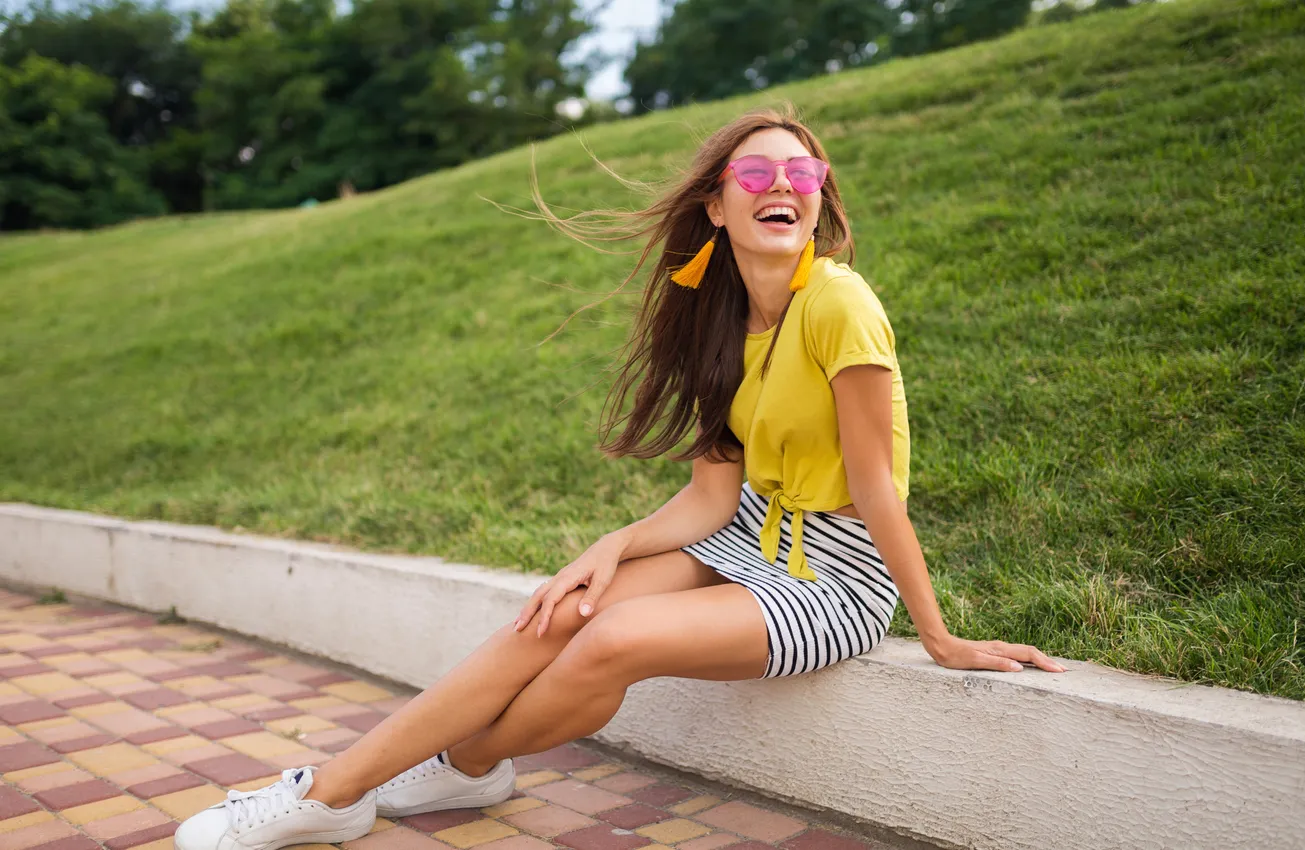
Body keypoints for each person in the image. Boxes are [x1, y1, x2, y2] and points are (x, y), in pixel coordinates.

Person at [173, 103, 1066, 850]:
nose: (784, 185)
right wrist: (610, 545)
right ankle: (330, 794)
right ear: (717, 208)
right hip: (746, 534)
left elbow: (876, 489)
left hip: (837, 578)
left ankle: (462, 768)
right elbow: (714, 495)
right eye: (755, 175)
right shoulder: (724, 323)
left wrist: (939, 635)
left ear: (821, 193)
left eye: (803, 171)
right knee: (565, 608)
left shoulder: (840, 303)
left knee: (610, 639)